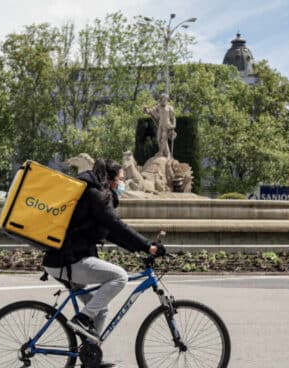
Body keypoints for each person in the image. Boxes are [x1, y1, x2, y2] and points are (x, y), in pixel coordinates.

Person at [42, 159, 164, 368]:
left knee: (101, 308)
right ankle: (82, 320)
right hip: (67, 260)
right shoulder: (95, 195)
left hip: (65, 259)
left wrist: (141, 248)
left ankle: (90, 355)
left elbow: (112, 234)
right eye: (121, 179)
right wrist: (148, 246)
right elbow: (117, 226)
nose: (123, 184)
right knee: (119, 277)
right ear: (110, 179)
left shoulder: (95, 195)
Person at [144, 93, 177, 158]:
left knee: (164, 139)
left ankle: (163, 153)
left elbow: (173, 118)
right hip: (160, 125)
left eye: (165, 99)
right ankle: (166, 153)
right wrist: (146, 109)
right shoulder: (158, 106)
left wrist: (174, 125)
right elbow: (150, 111)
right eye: (162, 99)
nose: (164, 100)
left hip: (167, 125)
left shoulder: (170, 108)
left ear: (167, 100)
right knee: (158, 139)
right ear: (161, 99)